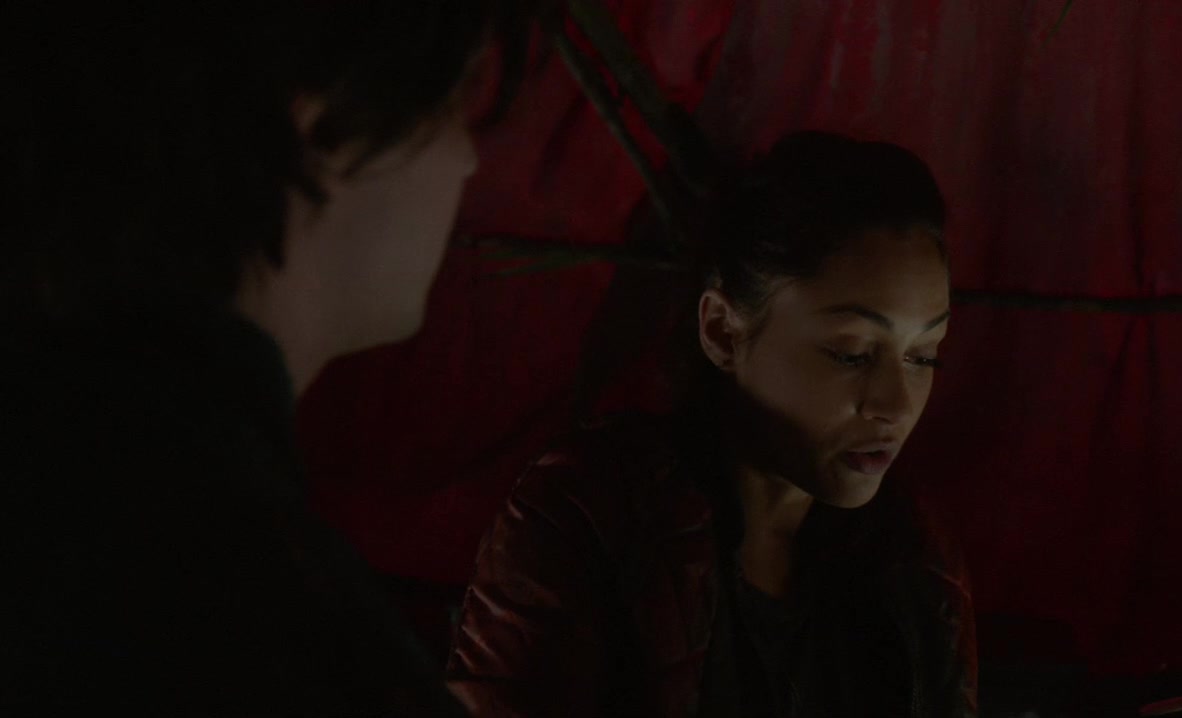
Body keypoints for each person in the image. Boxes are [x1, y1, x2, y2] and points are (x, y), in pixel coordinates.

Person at [1, 2, 538, 715]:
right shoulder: (249, 610)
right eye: (451, 109)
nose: (468, 159)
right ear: (326, 124)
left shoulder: (68, 459)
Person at [446, 132, 979, 717]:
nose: (896, 404)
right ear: (723, 331)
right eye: (851, 353)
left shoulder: (917, 560)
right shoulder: (589, 512)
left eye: (923, 356)